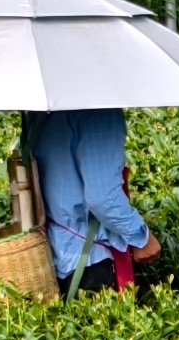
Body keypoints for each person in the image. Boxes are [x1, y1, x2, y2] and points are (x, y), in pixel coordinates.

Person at [20, 107, 162, 293]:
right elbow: (103, 198)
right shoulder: (100, 110)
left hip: (48, 254)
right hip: (89, 261)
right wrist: (141, 238)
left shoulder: (40, 109)